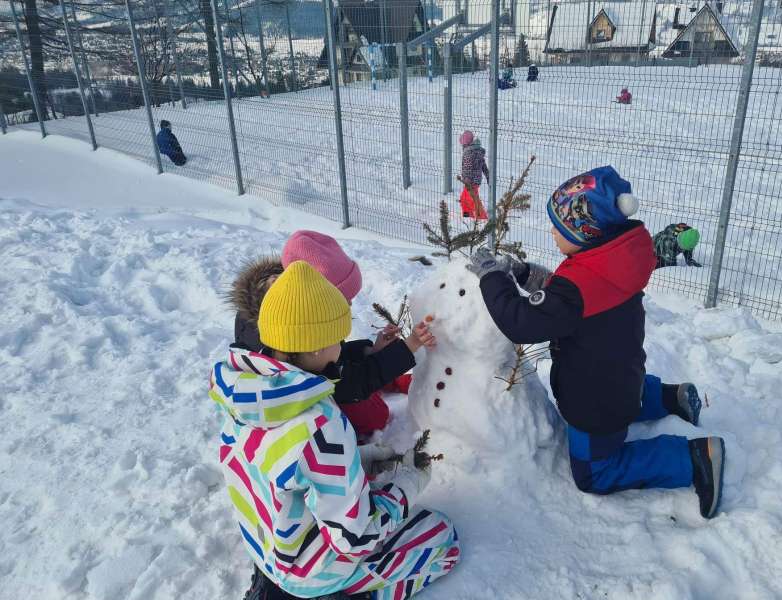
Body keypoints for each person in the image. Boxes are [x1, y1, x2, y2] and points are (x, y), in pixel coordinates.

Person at [466, 167, 726, 519]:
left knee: (594, 473)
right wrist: (525, 274)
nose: (553, 233)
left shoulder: (579, 285)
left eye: (560, 227)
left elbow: (522, 322)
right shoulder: (621, 257)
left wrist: (492, 278)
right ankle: (671, 397)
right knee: (630, 394)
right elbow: (563, 295)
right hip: (623, 374)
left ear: (585, 230)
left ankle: (693, 459)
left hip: (595, 403)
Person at [212, 261, 460, 600]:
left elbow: (286, 465)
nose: (342, 347)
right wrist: (406, 486)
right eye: (338, 339)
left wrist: (361, 457)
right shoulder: (321, 422)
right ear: (315, 346)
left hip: (266, 546)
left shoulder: (242, 390)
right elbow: (356, 540)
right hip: (308, 569)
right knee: (442, 539)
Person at [227, 231, 409, 439]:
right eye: (344, 298)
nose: (349, 305)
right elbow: (342, 382)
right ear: (317, 295)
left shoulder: (300, 311)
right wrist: (405, 350)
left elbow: (332, 359)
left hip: (318, 382)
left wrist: (370, 351)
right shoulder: (288, 331)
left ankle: (389, 379)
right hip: (296, 407)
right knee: (375, 415)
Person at [458, 130, 489, 220]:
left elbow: (468, 167)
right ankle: (467, 215)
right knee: (464, 197)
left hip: (470, 181)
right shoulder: (477, 152)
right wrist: (487, 175)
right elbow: (483, 165)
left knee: (473, 199)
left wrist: (467, 179)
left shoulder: (468, 153)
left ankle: (481, 217)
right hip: (475, 180)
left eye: (463, 144)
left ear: (465, 144)